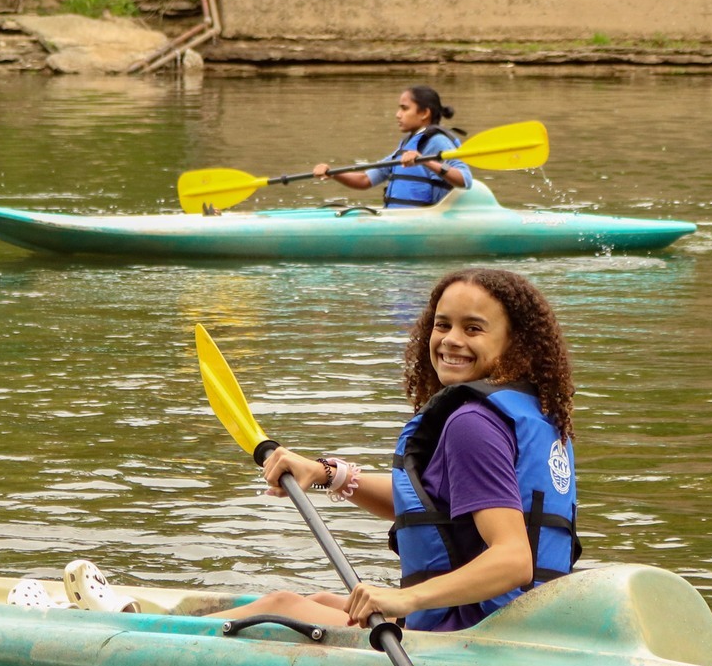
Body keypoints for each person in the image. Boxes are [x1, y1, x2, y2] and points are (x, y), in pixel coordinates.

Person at [216, 267, 579, 632]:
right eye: (442, 325)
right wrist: (331, 474)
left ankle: (159, 637)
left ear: (515, 342)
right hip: (523, 626)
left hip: (468, 636)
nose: (451, 340)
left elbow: (514, 560)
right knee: (322, 603)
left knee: (281, 604)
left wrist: (406, 598)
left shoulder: (472, 424)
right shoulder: (535, 415)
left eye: (473, 328)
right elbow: (441, 507)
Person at [313, 86, 473, 207]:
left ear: (424, 113)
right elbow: (365, 180)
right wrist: (333, 173)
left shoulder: (438, 141)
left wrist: (426, 161)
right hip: (399, 218)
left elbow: (465, 180)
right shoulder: (406, 144)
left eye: (404, 108)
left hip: (425, 221)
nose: (398, 114)